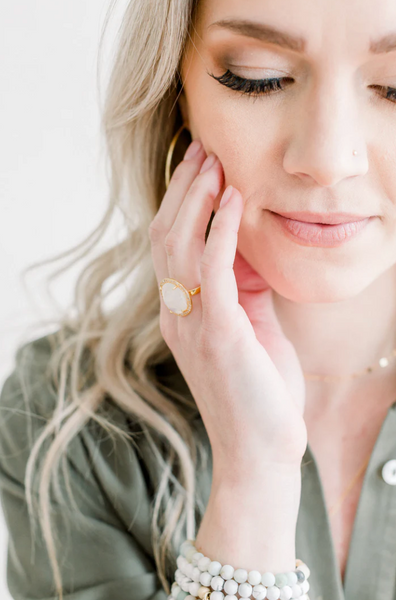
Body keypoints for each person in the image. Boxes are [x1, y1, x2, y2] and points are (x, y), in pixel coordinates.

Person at [2, 0, 396, 598]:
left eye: (394, 88)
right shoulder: (68, 423)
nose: (326, 160)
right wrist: (254, 478)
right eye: (257, 76)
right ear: (176, 95)